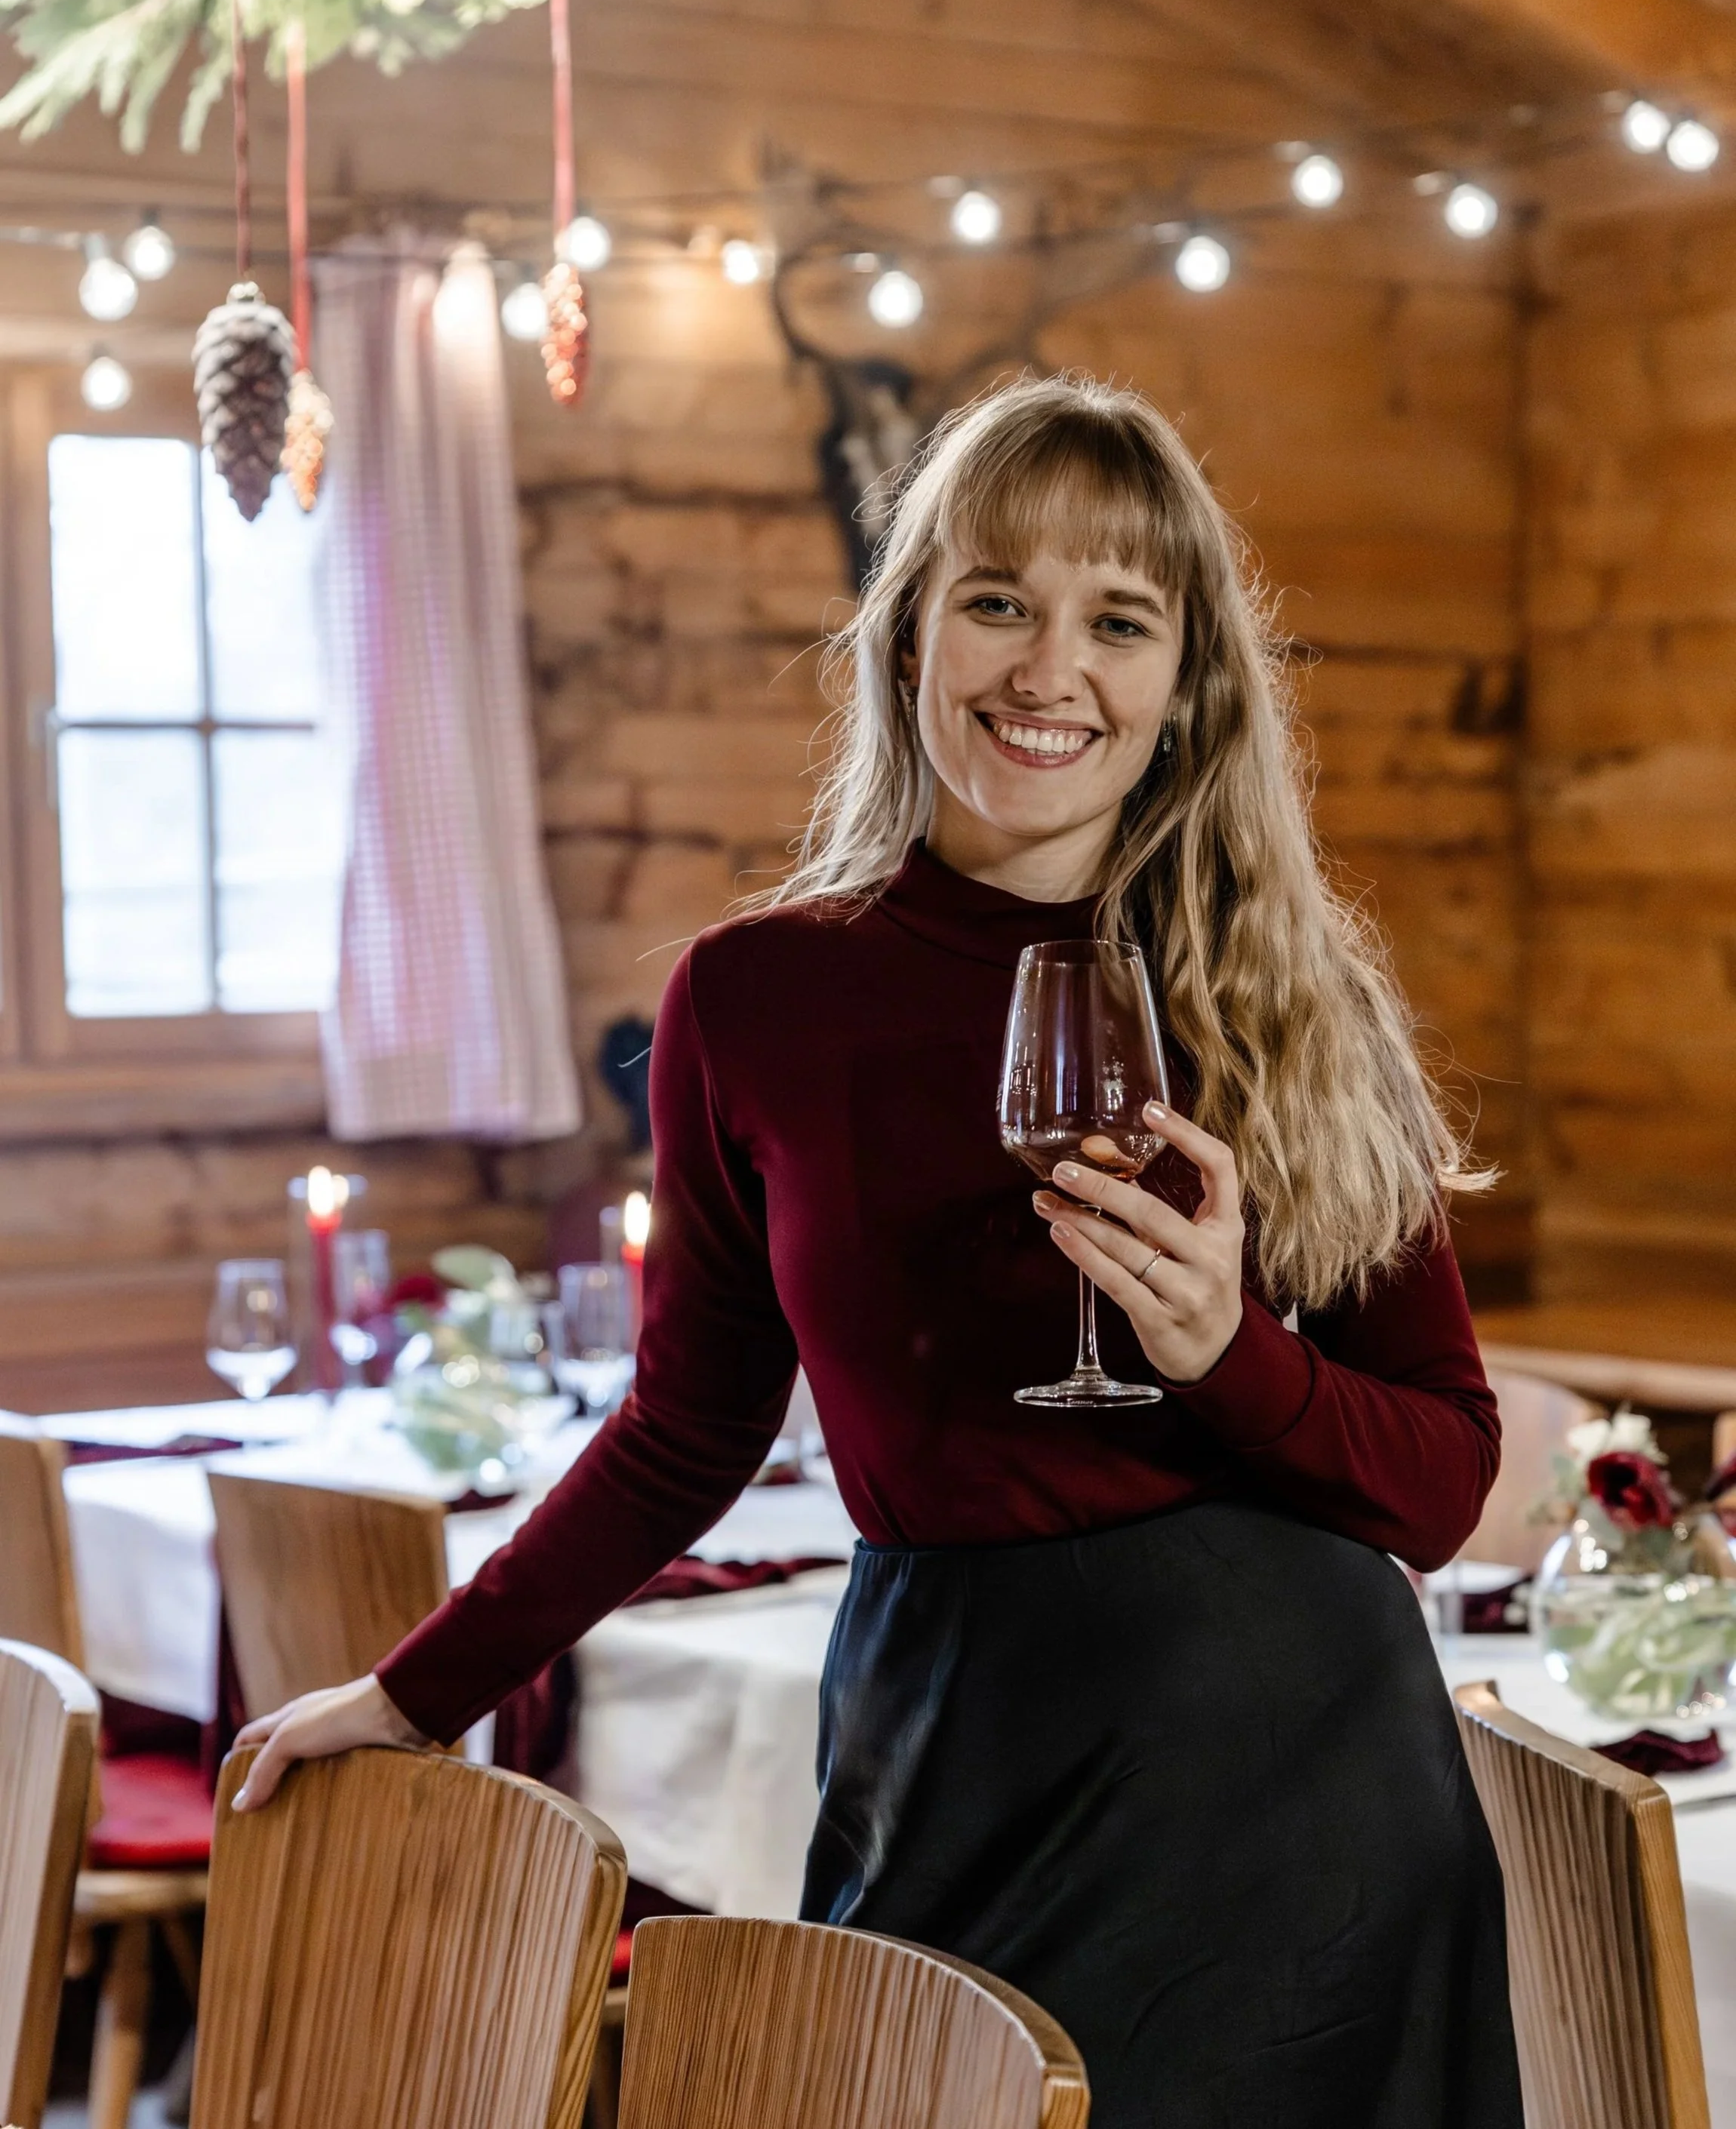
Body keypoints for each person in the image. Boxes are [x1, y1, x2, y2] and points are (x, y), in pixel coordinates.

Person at [232, 374, 1522, 2127]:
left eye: (1117, 622)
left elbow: (1439, 1485)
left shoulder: (1293, 1002)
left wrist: (1231, 1358)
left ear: (1185, 686)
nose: (1048, 670)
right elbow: (683, 1433)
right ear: (908, 633)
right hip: (944, 1728)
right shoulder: (753, 997)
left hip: (1301, 1786)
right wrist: (413, 1692)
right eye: (997, 602)